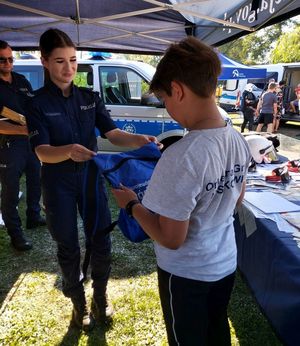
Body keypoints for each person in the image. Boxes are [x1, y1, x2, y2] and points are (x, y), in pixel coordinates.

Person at [112, 37, 251, 346]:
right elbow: (237, 198)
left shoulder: (182, 156)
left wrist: (132, 205)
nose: (168, 108)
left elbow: (172, 238)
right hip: (224, 264)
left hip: (187, 275)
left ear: (178, 90)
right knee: (216, 332)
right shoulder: (237, 139)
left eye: (166, 100)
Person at [25, 28, 161, 331]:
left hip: (90, 178)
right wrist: (68, 151)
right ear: (44, 61)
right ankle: (79, 305)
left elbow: (113, 134)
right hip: (57, 183)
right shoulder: (35, 103)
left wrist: (140, 139)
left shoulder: (90, 97)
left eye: (73, 60)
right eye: (60, 61)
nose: (68, 68)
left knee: (100, 240)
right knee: (68, 247)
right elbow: (43, 153)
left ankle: (101, 297)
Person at [0, 40, 46, 252]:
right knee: (11, 190)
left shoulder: (21, 80)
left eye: (10, 59)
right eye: (2, 60)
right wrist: (22, 130)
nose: (7, 63)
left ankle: (33, 216)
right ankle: (15, 235)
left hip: (29, 143)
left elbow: (33, 106)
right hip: (8, 146)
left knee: (36, 179)